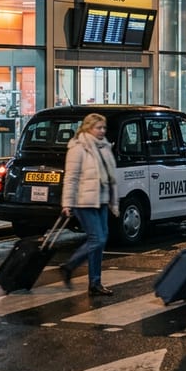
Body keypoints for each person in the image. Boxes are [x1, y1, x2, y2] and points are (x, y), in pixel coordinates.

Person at [58, 113, 120, 296]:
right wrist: (67, 203)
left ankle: (95, 283)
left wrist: (112, 201)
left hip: (100, 200)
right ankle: (69, 266)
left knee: (100, 241)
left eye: (104, 128)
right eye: (98, 128)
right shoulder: (78, 148)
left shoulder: (104, 147)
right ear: (88, 128)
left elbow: (111, 178)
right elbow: (71, 178)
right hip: (83, 201)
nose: (102, 131)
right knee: (97, 239)